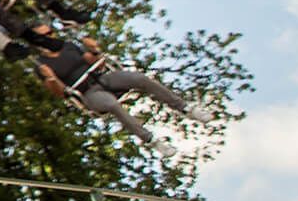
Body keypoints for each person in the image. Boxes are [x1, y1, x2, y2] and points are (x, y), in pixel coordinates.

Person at [35, 35, 216, 144]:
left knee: (140, 78)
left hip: (103, 77)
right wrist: (51, 78)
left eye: (51, 33)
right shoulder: (42, 64)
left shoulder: (68, 46)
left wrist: (95, 50)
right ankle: (149, 139)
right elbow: (60, 93)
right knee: (112, 104)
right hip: (88, 93)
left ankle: (185, 108)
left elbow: (96, 61)